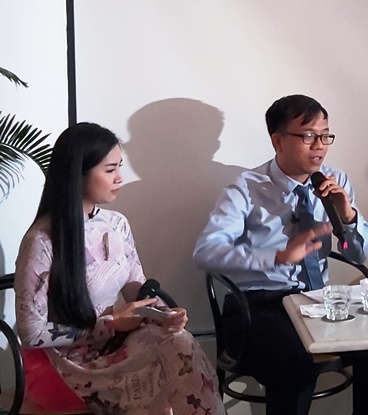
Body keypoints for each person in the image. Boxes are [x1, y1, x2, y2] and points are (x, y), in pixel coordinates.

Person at [193, 94, 368, 415]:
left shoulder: (335, 181)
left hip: (318, 303)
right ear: (277, 140)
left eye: (325, 136)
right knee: (296, 358)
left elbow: (357, 254)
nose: (319, 146)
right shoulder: (246, 188)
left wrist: (348, 216)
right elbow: (205, 252)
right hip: (258, 307)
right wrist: (277, 256)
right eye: (308, 136)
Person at [14, 122, 224, 414]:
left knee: (176, 340)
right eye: (110, 170)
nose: (120, 178)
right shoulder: (41, 240)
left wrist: (163, 314)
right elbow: (31, 332)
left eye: (119, 167)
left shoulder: (116, 224)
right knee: (170, 360)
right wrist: (108, 323)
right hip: (64, 359)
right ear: (78, 173)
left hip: (111, 343)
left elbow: (136, 287)